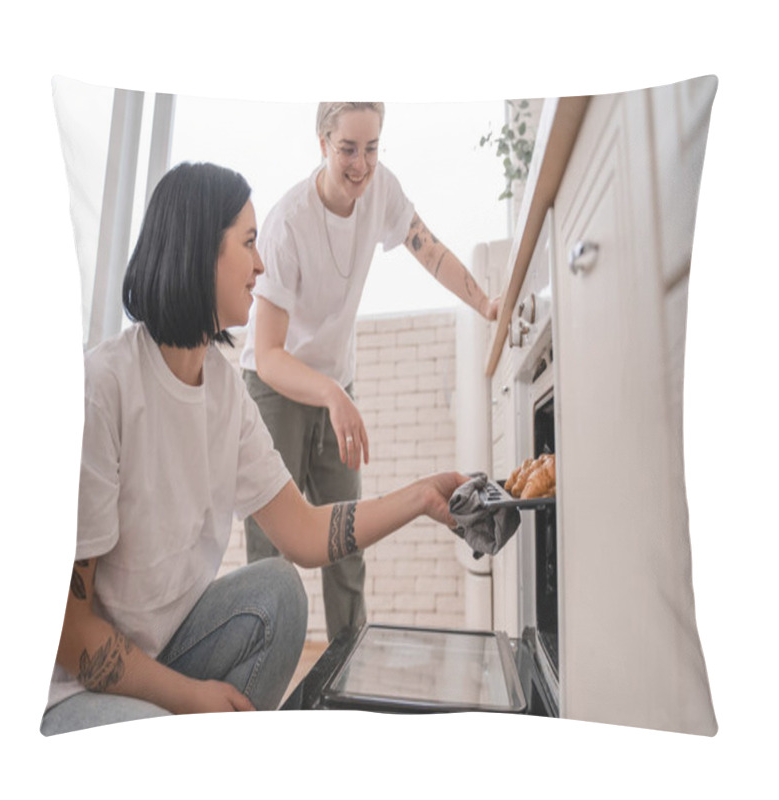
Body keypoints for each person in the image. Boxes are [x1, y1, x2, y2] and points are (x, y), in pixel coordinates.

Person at [40, 161, 467, 736]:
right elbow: (70, 634)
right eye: (247, 243)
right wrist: (190, 698)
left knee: (279, 592)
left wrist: (419, 498)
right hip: (72, 687)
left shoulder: (225, 391)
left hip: (166, 651)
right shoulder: (104, 388)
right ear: (199, 252)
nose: (262, 264)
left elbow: (305, 533)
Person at [241, 102, 499, 641]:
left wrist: (486, 304)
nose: (361, 165)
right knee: (271, 554)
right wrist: (332, 393)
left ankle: (348, 672)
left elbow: (430, 251)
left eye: (372, 148)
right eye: (348, 150)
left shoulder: (382, 191)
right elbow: (267, 355)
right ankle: (254, 672)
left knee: (346, 544)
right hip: (276, 387)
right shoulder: (288, 224)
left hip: (336, 386)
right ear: (322, 143)